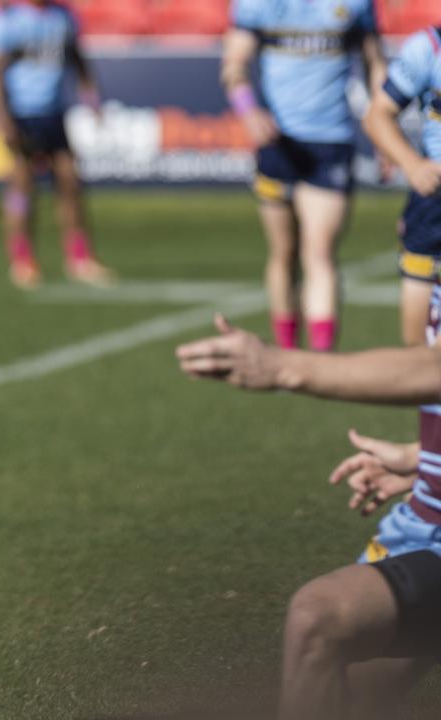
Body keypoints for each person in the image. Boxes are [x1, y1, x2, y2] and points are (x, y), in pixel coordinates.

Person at [176, 304, 441, 720]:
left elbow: (435, 369)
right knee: (360, 697)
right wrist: (421, 459)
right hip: (427, 521)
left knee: (318, 618)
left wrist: (281, 366)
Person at [222, 0, 386, 351]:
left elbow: (376, 65)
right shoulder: (258, 5)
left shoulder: (357, 4)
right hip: (277, 144)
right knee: (283, 252)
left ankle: (322, 359)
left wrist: (386, 137)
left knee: (320, 253)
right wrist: (249, 111)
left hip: (331, 143)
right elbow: (234, 66)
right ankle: (287, 350)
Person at [0, 0, 115, 290]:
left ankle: (79, 258)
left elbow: (78, 61)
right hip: (21, 115)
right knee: (22, 187)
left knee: (70, 182)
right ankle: (22, 259)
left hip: (54, 114)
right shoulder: (5, 20)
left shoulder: (62, 16)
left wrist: (92, 100)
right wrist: (4, 122)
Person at [362, 24, 441, 346]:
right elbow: (377, 115)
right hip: (434, 205)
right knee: (419, 359)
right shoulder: (429, 47)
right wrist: (413, 165)